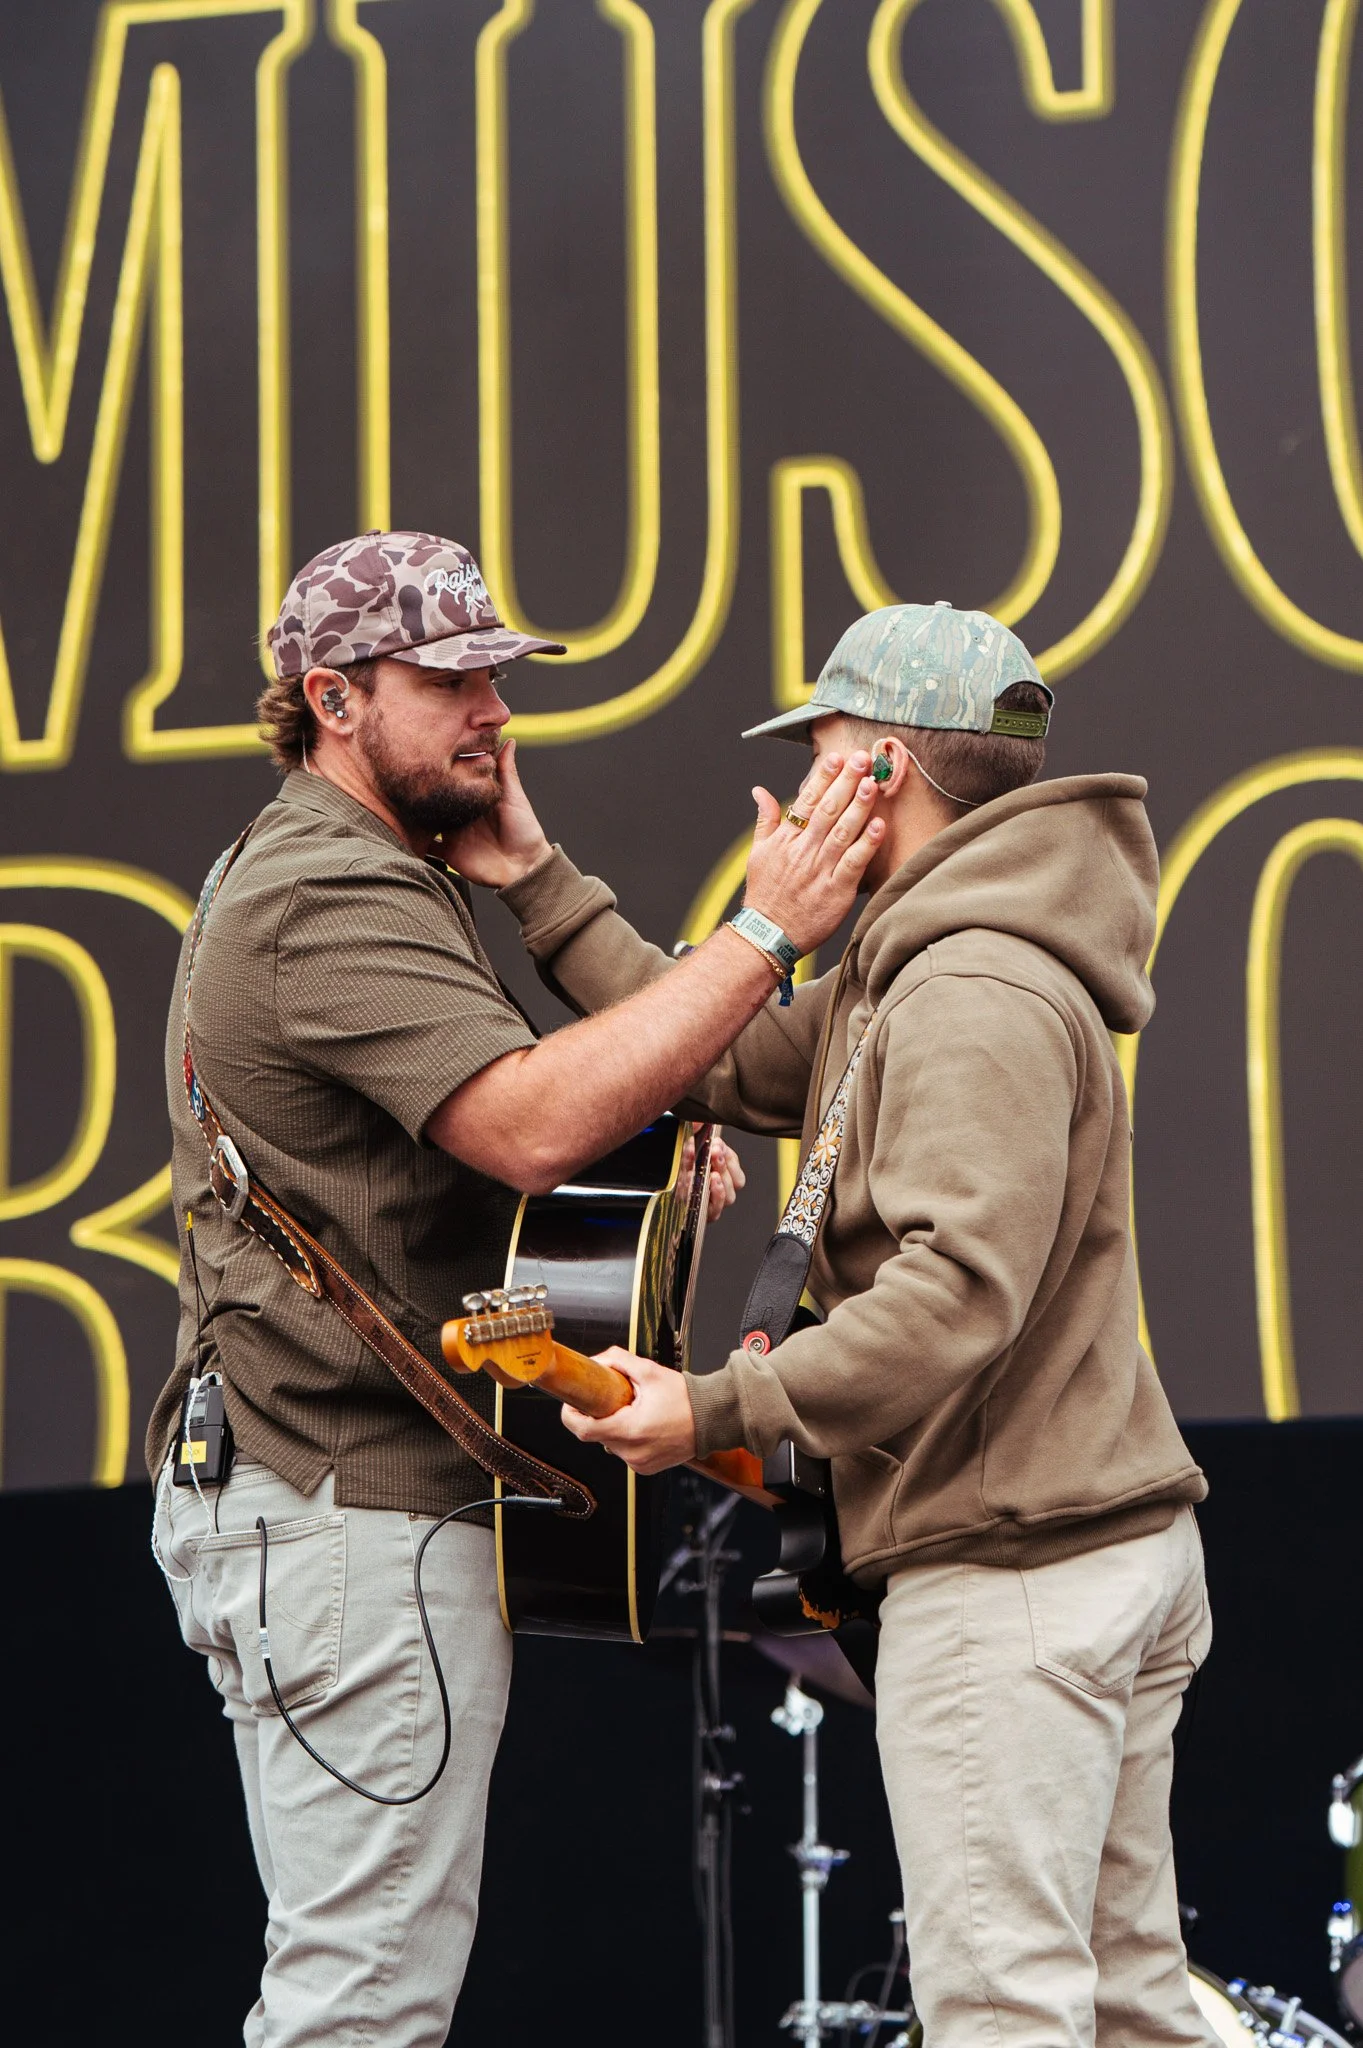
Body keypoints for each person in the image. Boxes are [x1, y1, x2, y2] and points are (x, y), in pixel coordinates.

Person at [148, 528, 886, 2048]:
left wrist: (642, 1121)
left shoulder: (367, 866)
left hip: (328, 1511)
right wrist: (766, 934)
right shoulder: (326, 890)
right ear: (333, 698)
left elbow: (514, 1152)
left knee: (360, 1989)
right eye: (449, 679)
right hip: (349, 1516)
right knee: (360, 2007)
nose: (493, 709)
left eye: (500, 674)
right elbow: (535, 1120)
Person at [457, 600, 1218, 2048]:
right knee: (1125, 2010)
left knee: (1009, 2014)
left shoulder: (972, 986)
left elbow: (953, 1301)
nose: (798, 796)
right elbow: (722, 1044)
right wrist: (539, 877)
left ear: (878, 775)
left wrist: (713, 1409)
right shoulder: (924, 962)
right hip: (1066, 1555)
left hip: (1016, 1579)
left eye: (818, 759)